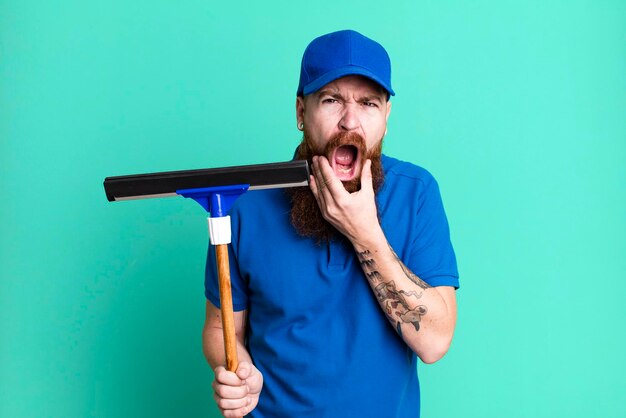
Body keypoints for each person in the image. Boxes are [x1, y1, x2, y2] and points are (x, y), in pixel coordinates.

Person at [202, 29, 459, 418]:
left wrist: (364, 232)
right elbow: (222, 330)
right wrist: (240, 370)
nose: (350, 121)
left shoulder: (417, 193)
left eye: (369, 103)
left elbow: (435, 342)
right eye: (332, 100)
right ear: (301, 113)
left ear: (386, 118)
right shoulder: (244, 205)